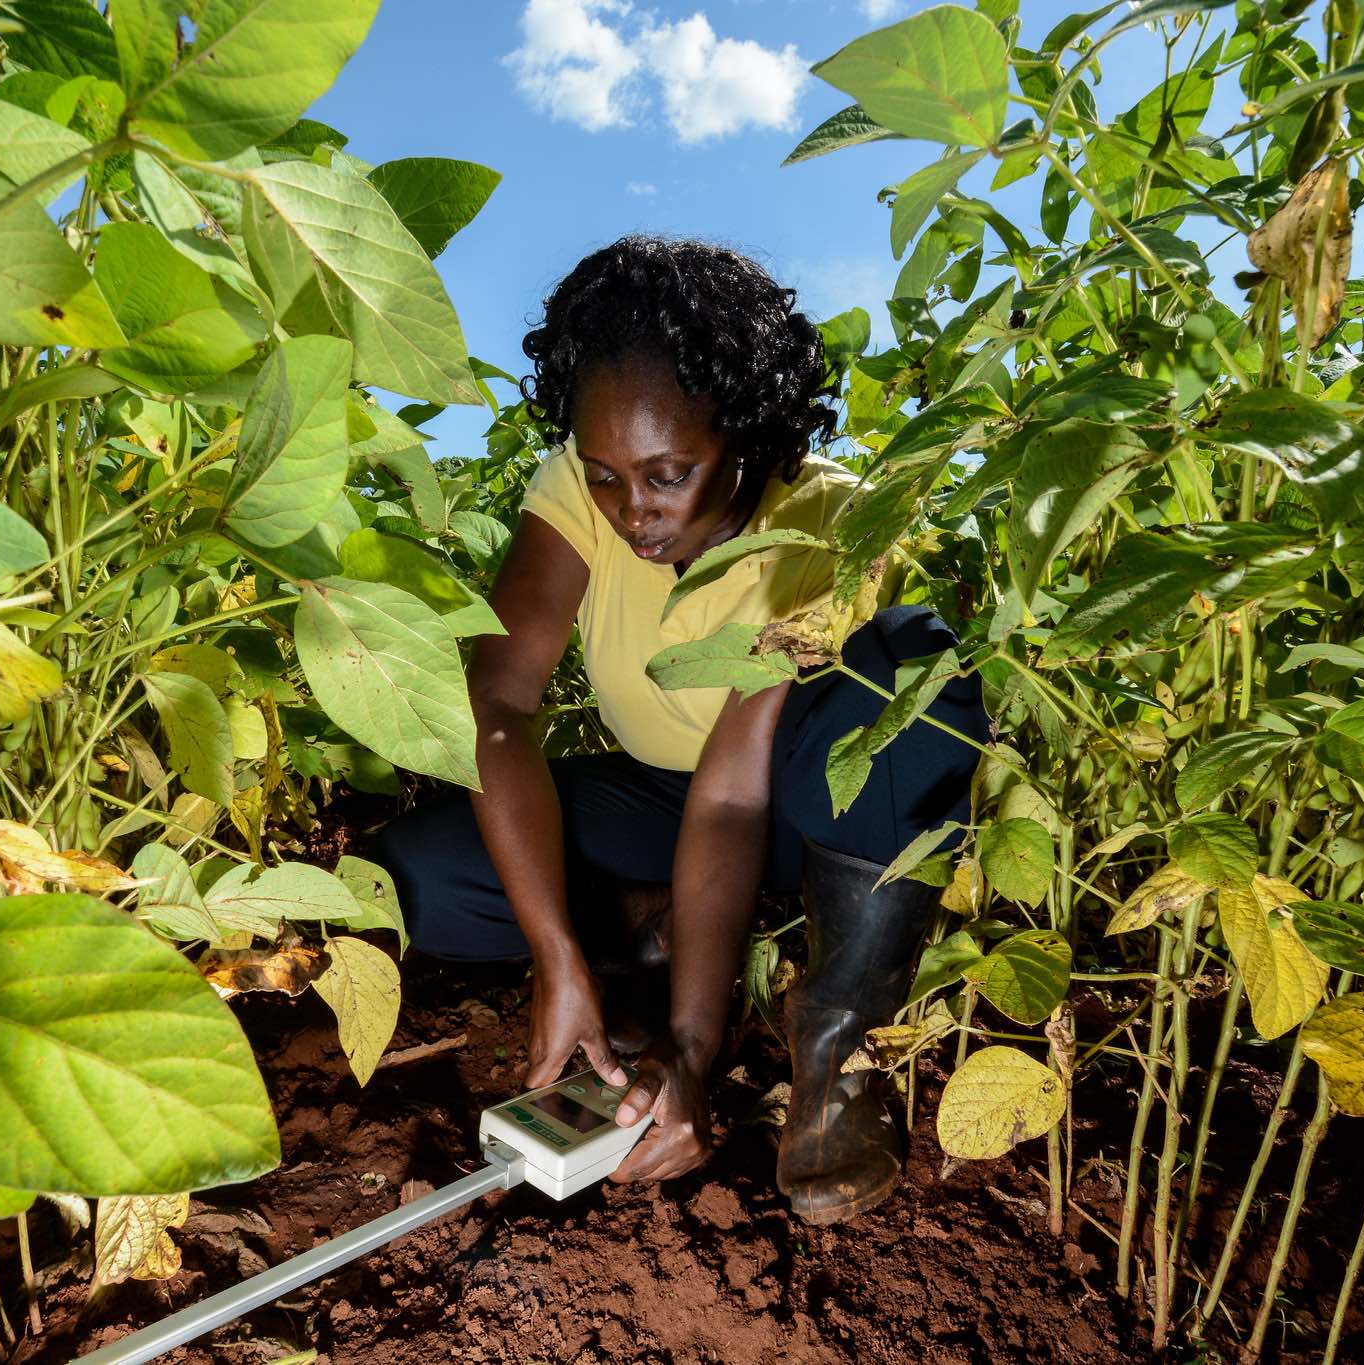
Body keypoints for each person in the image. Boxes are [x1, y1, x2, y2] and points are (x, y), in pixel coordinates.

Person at [375, 237, 988, 1224]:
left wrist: (692, 1051)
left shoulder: (827, 519)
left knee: (910, 654)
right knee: (425, 877)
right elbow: (495, 706)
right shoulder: (578, 490)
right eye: (606, 475)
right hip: (658, 797)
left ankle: (835, 1030)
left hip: (798, 817)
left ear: (741, 435)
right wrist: (552, 953)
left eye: (667, 475)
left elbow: (736, 794)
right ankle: (657, 928)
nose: (629, 511)